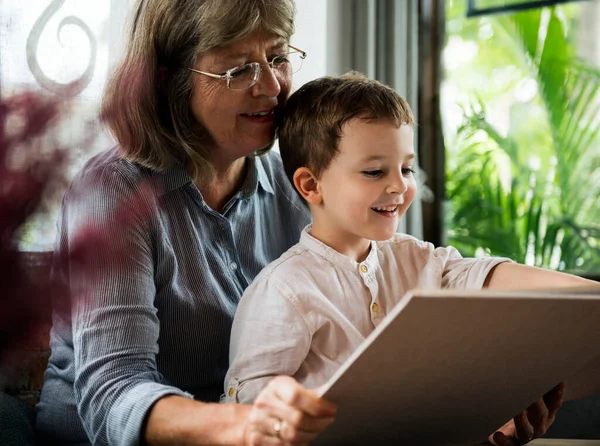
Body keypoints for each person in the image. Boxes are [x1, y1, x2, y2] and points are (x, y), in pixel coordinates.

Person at [223, 72, 599, 445]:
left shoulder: (416, 259)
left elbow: (488, 276)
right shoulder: (284, 289)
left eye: (406, 168)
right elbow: (247, 413)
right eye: (374, 171)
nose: (400, 186)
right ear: (311, 185)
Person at [35, 1, 337, 445]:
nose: (271, 86)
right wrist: (244, 423)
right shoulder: (112, 194)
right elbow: (116, 393)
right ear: (169, 81)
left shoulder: (298, 184)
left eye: (277, 58)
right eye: (238, 70)